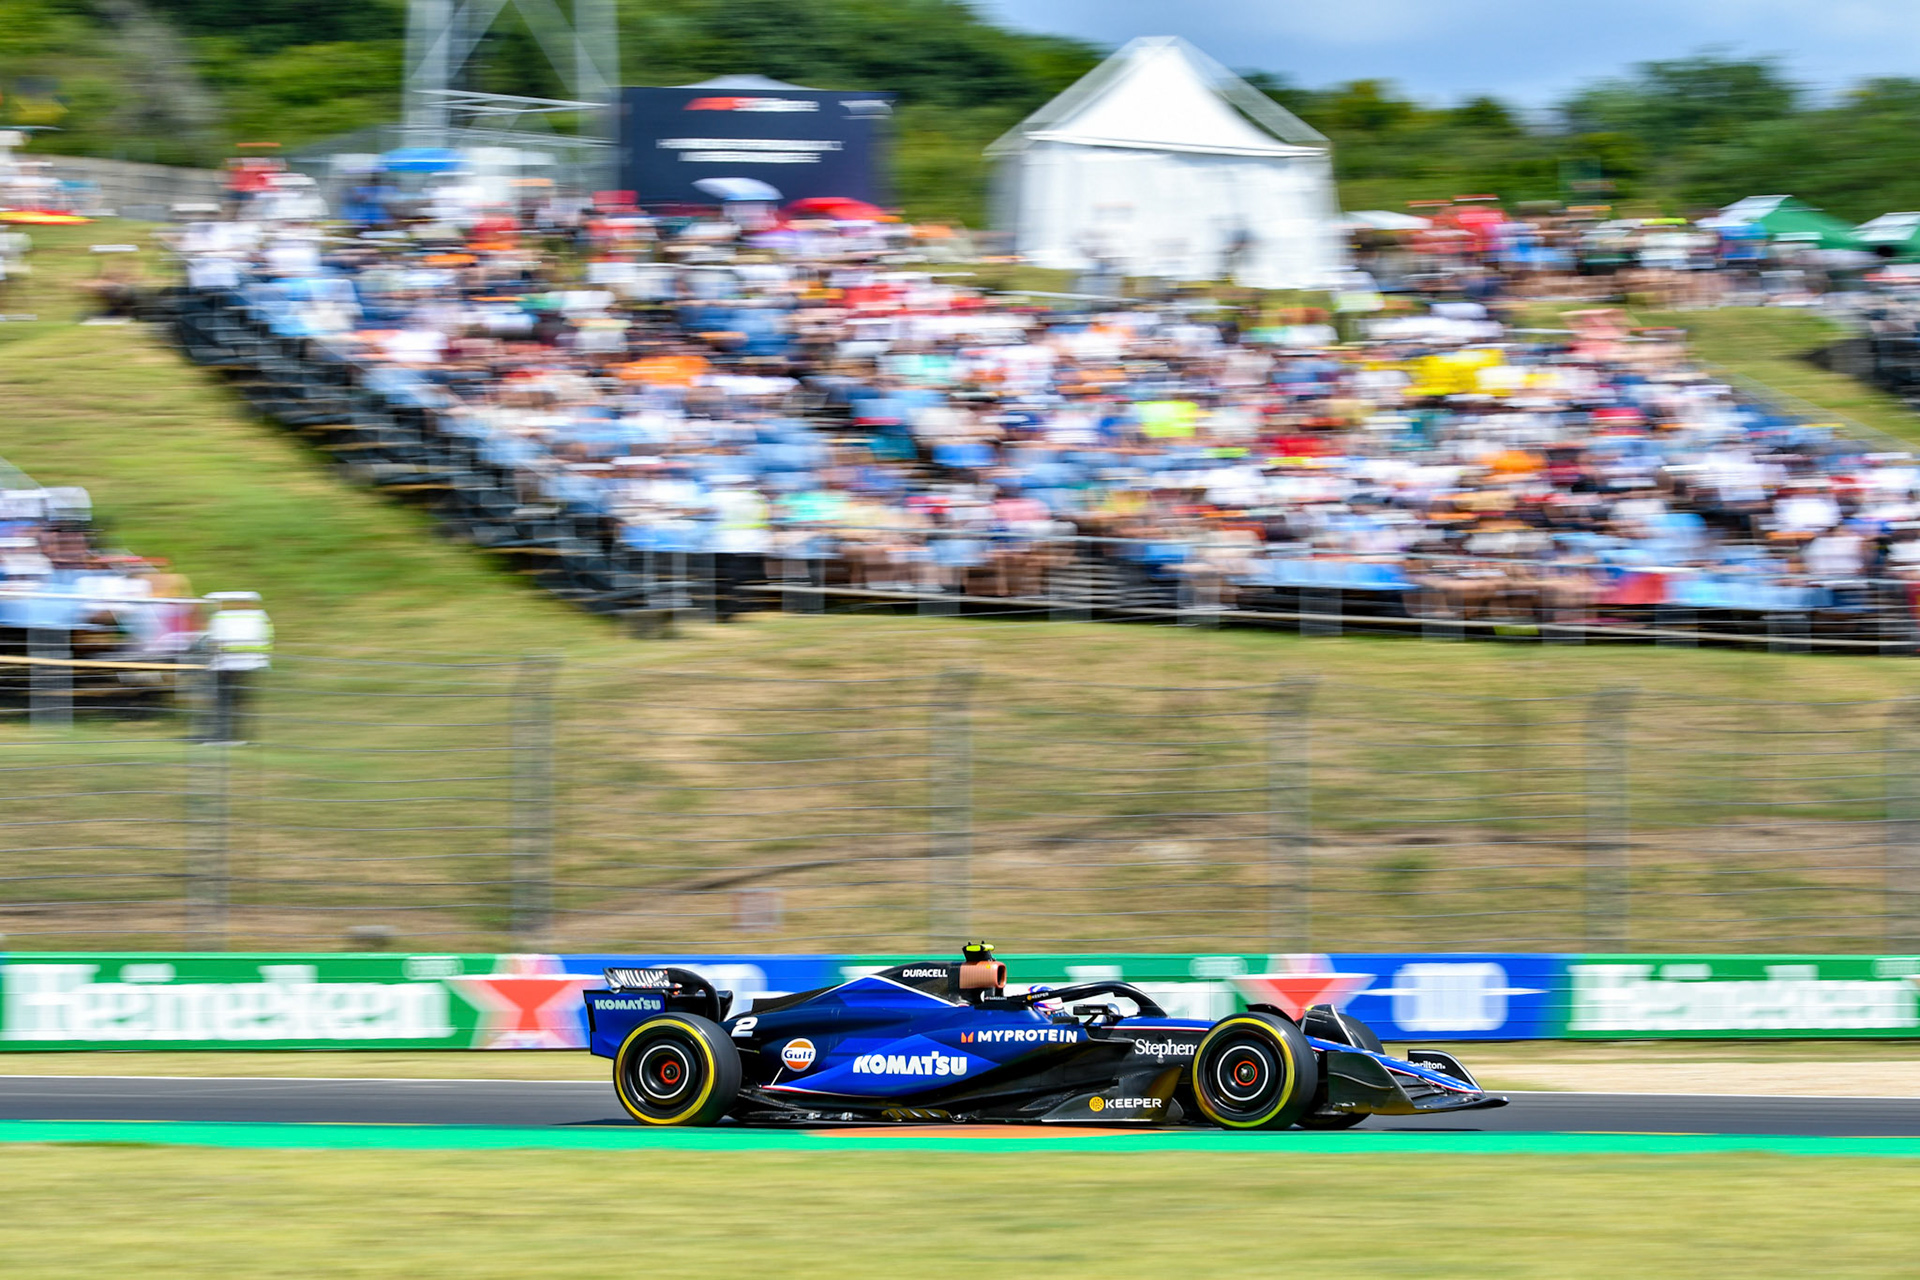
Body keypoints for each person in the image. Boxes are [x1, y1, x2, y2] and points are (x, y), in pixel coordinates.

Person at [204, 591, 272, 743]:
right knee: (241, 700)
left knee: (223, 700)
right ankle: (244, 734)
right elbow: (268, 638)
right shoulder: (259, 617)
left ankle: (223, 734)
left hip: (226, 664)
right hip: (252, 663)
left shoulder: (221, 617)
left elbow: (212, 640)